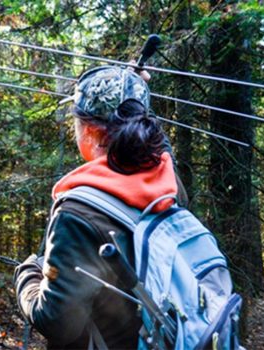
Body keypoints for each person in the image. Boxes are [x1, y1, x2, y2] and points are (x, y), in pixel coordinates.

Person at [13, 65, 186, 349]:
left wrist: (27, 274)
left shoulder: (78, 216)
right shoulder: (168, 183)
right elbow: (160, 147)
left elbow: (58, 323)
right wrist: (130, 92)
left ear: (90, 131)